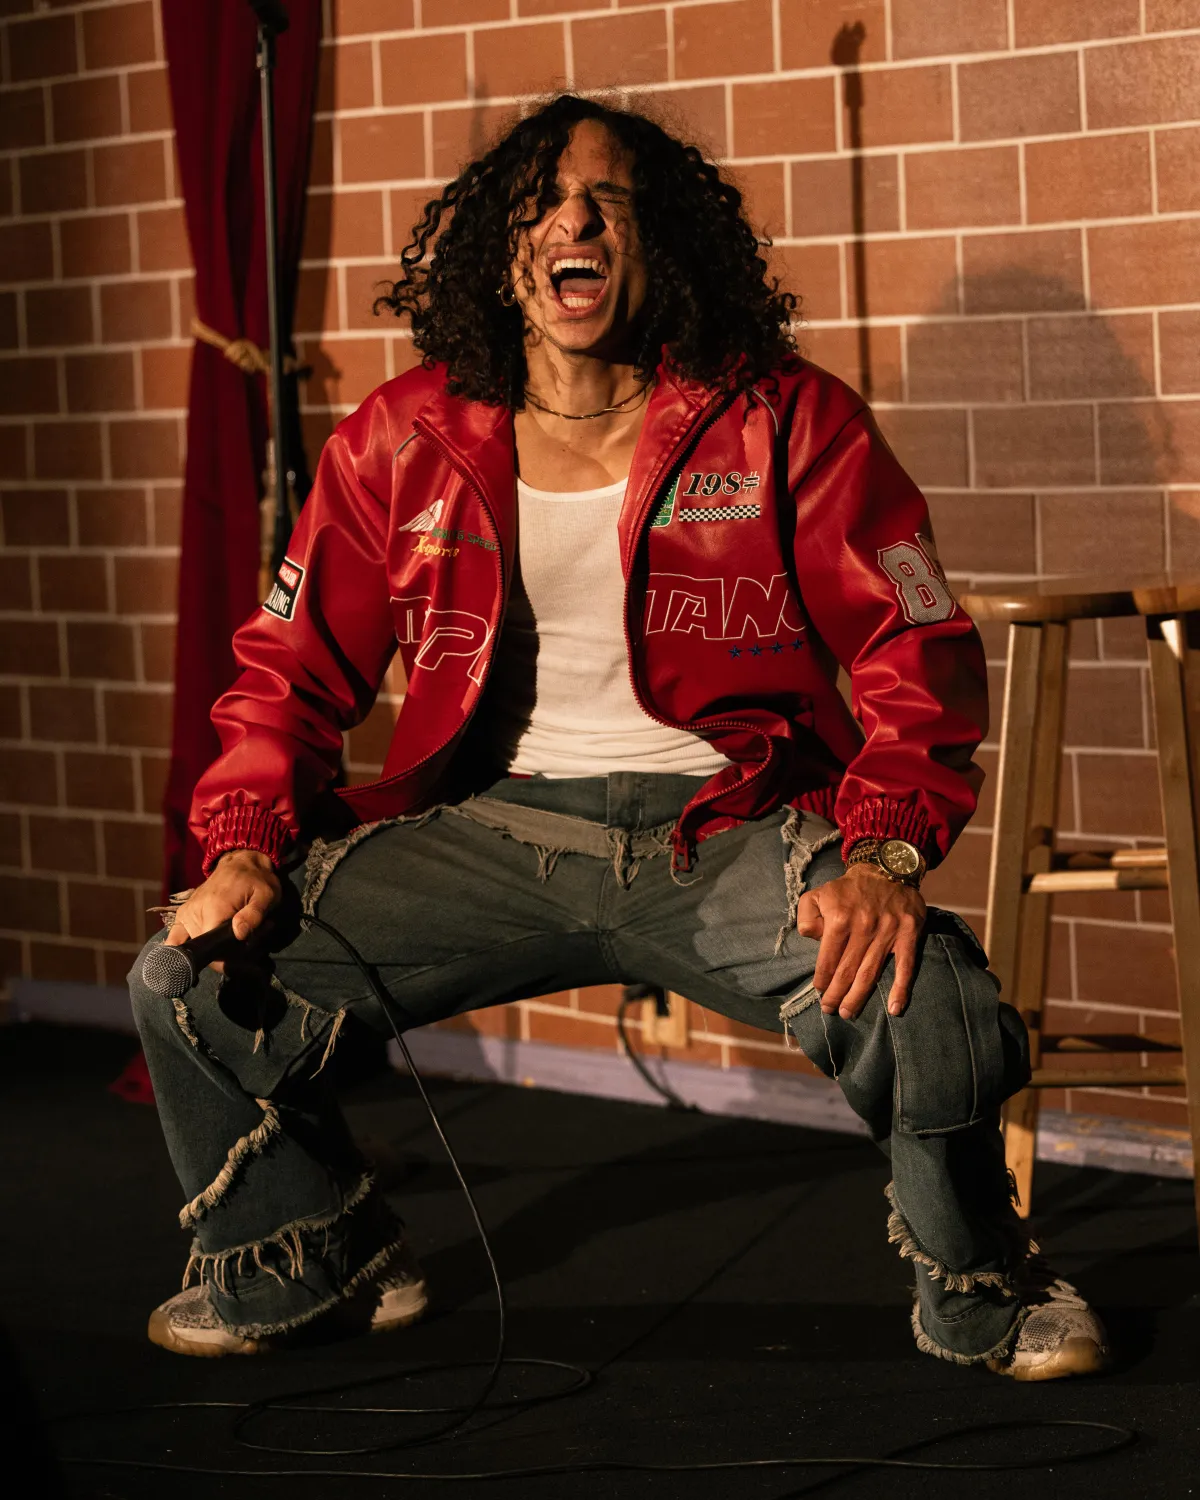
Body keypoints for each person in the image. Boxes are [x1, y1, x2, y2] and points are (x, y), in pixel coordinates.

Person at [130, 94, 1108, 1381]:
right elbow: (287, 669)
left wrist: (882, 851)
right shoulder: (400, 440)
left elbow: (914, 646)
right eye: (540, 203)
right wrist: (246, 843)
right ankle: (312, 1252)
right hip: (496, 832)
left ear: (663, 244)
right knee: (189, 977)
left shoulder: (786, 419)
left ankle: (982, 1288)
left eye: (610, 201)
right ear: (501, 252)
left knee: (927, 997)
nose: (573, 221)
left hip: (730, 829)